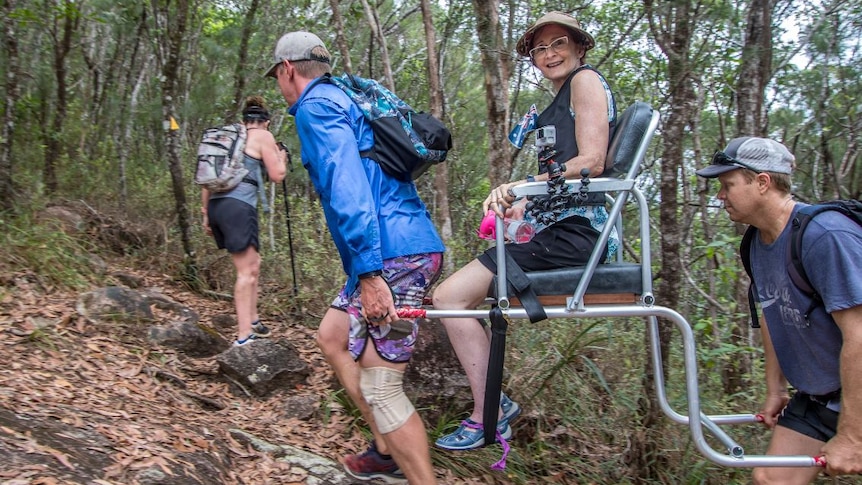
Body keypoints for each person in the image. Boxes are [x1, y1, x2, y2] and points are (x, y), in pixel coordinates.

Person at [431, 11, 619, 451]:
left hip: (576, 235)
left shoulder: (584, 82)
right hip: (556, 228)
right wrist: (523, 206)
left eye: (559, 44)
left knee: (450, 298)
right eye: (540, 48)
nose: (549, 54)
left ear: (579, 47)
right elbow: (564, 177)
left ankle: (488, 416)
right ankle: (495, 404)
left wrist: (522, 186)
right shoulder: (558, 98)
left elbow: (593, 161)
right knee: (452, 297)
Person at [266, 31, 445, 484]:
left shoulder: (315, 107)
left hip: (392, 255)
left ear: (288, 69)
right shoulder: (345, 96)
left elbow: (348, 188)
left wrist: (368, 273)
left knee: (381, 388)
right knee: (332, 335)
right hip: (399, 243)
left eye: (277, 76)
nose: (279, 85)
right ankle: (386, 451)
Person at [696, 137, 862, 483]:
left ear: (762, 182)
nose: (719, 196)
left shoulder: (825, 235)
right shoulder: (757, 242)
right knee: (770, 478)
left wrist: (851, 436)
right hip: (820, 396)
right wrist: (776, 390)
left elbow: (859, 334)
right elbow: (772, 314)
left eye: (727, 185)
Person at [202, 96, 287, 346]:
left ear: (243, 120)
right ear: (266, 122)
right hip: (239, 207)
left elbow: (208, 177)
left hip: (218, 206)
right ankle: (243, 337)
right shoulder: (263, 136)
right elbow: (277, 175)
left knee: (253, 264)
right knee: (246, 272)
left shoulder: (228, 138)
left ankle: (252, 321)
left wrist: (206, 213)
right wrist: (280, 156)